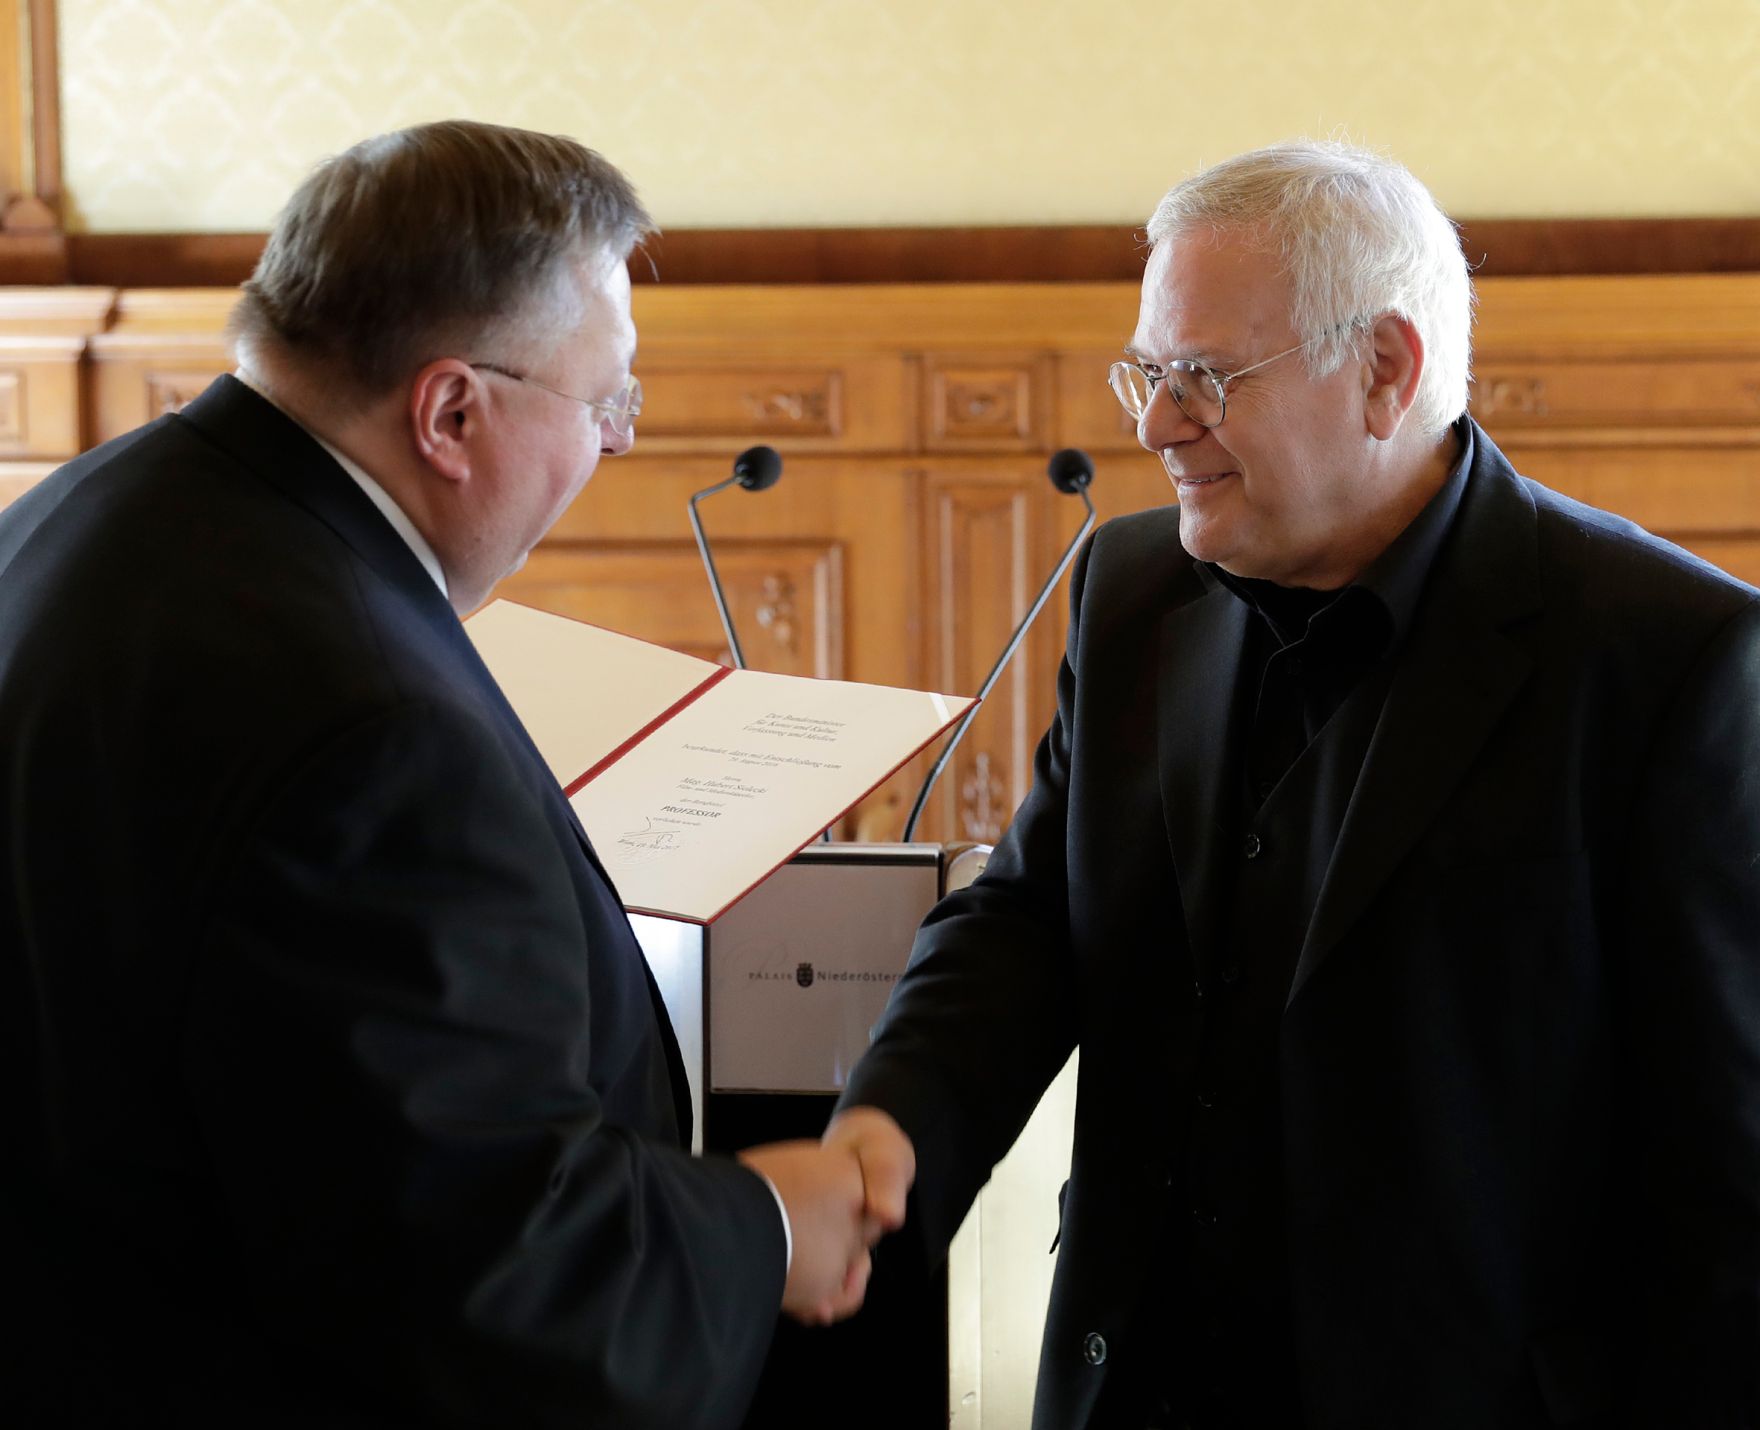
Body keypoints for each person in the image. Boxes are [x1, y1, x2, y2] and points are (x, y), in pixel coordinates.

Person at [826, 141, 1760, 1428]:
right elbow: (1029, 923)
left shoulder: (1667, 655)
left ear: (1382, 370)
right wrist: (884, 1138)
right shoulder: (1130, 591)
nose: (1155, 423)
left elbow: (1724, 1171)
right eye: (1148, 373)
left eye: (1203, 377)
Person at [0, 120, 896, 1428]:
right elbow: (488, 1278)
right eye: (606, 403)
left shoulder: (72, 514)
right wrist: (766, 1225)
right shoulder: (376, 729)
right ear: (451, 412)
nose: (617, 444)